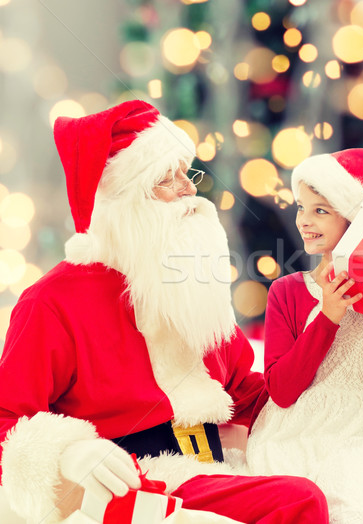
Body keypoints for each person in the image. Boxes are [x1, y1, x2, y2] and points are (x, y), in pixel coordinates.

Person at [0, 100, 328, 524]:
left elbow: (243, 389)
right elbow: (7, 419)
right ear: (122, 200)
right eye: (165, 179)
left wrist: (324, 379)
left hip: (216, 465)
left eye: (185, 173)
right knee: (297, 501)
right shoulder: (52, 301)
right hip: (141, 481)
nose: (189, 189)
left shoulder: (188, 280)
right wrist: (71, 451)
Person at [245, 149, 363, 523]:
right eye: (301, 207)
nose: (304, 222)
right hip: (293, 436)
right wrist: (327, 316)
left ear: (356, 221)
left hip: (359, 440)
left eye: (321, 211)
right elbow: (281, 389)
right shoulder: (288, 292)